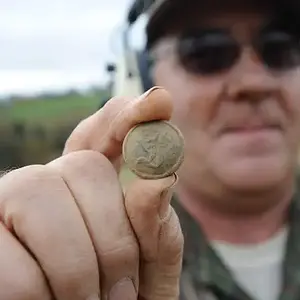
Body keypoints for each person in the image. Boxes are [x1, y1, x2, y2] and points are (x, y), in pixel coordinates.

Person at [2, 0, 300, 299]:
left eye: (281, 49)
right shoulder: (114, 268)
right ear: (144, 76)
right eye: (207, 52)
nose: (254, 82)